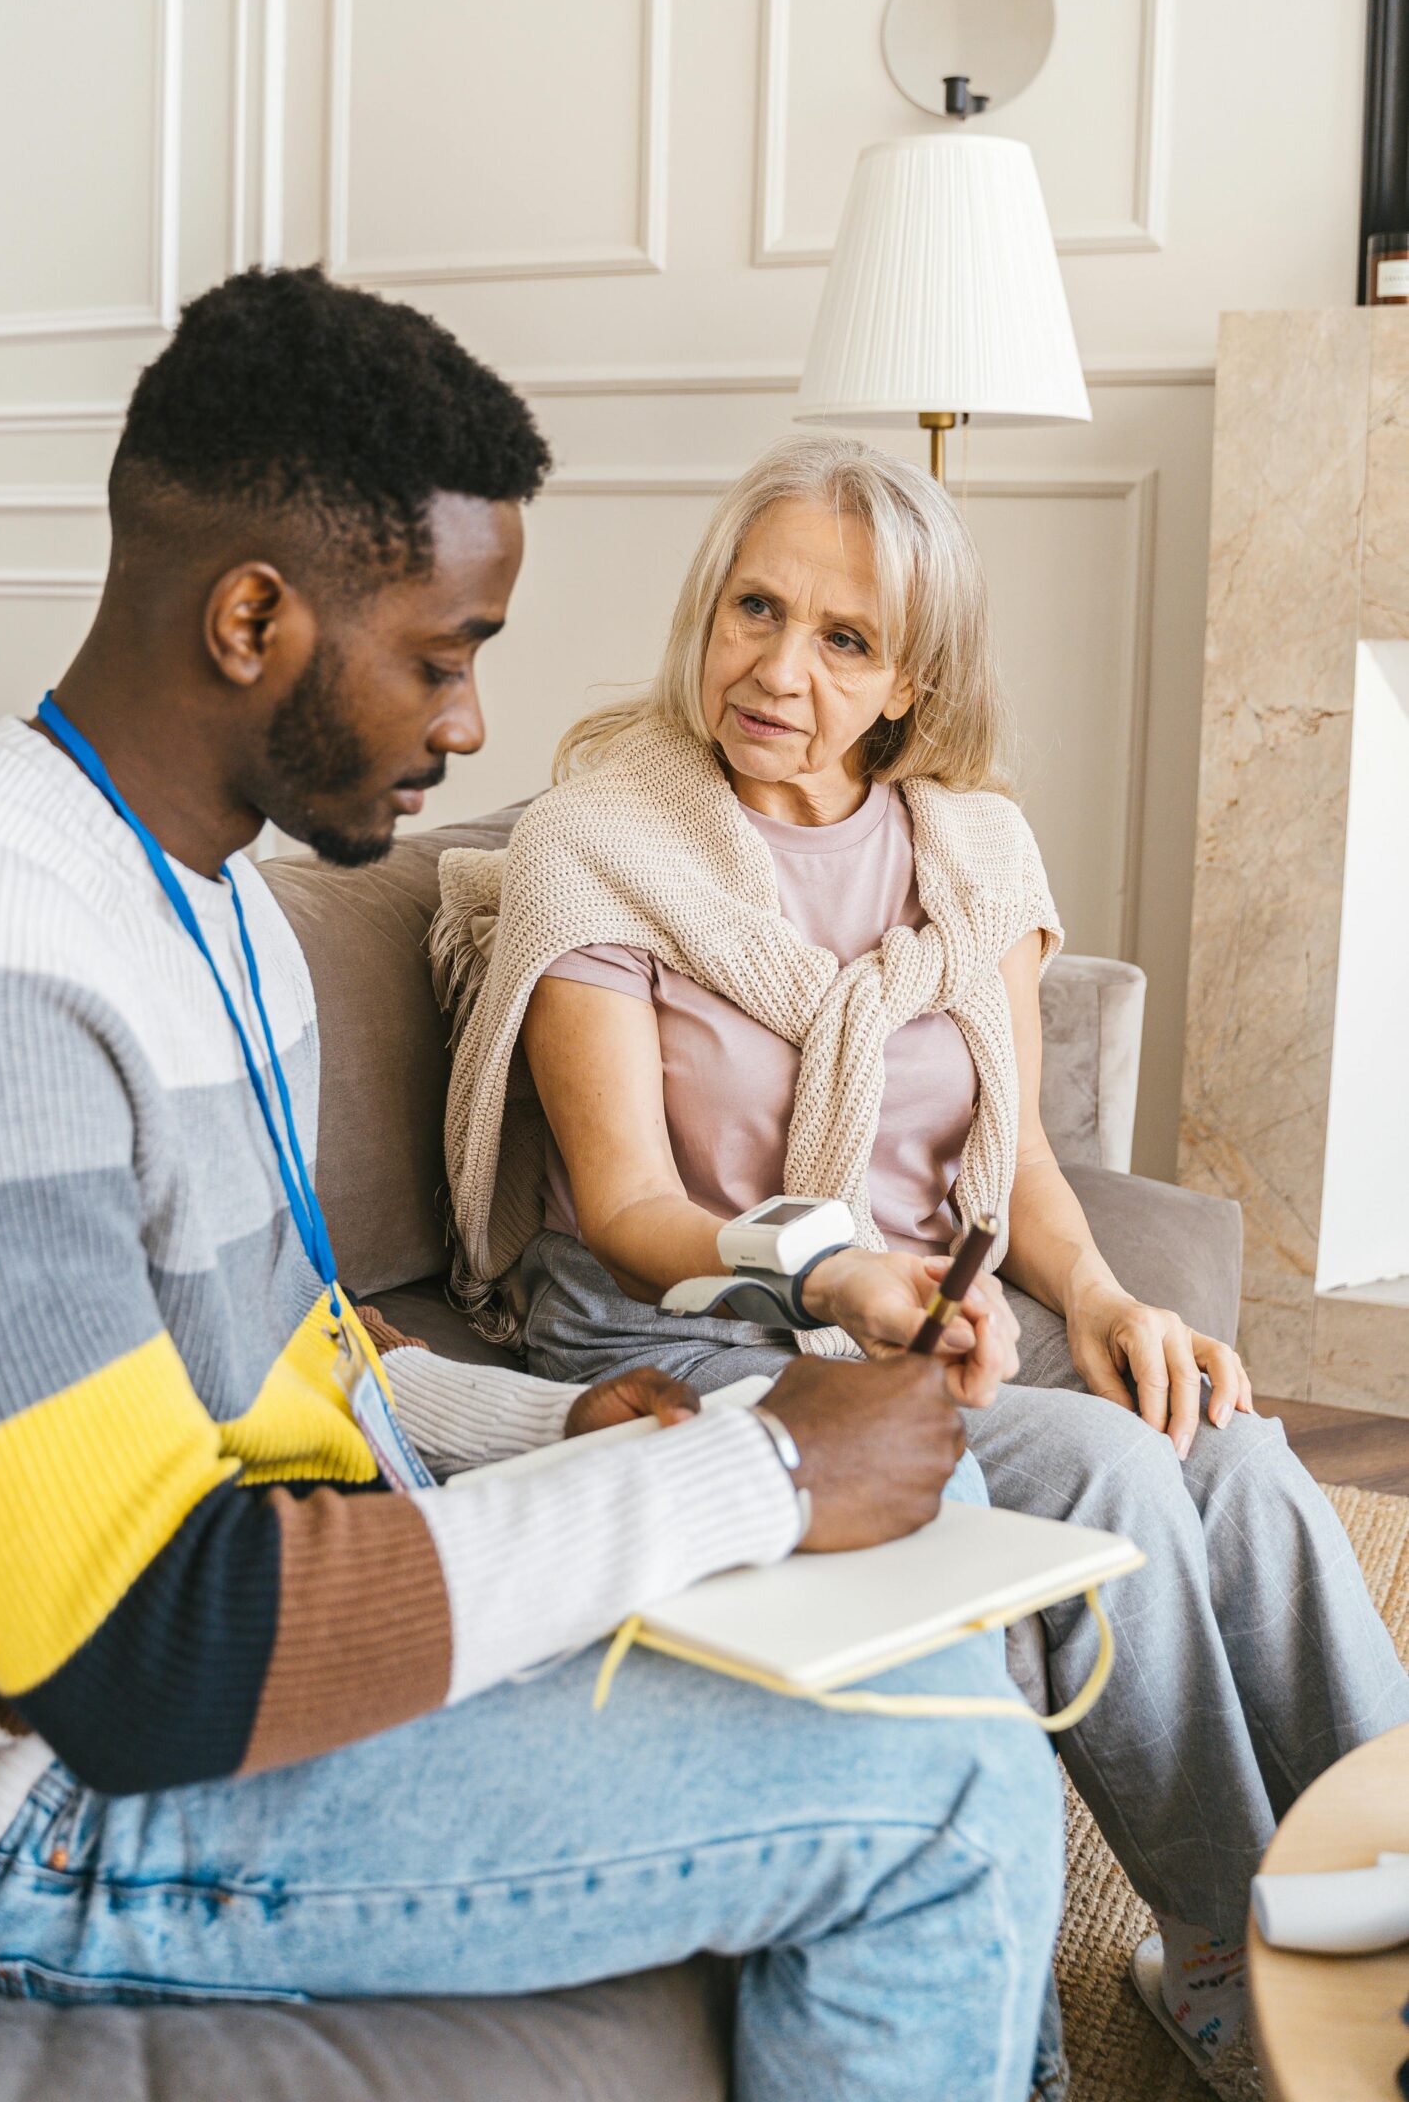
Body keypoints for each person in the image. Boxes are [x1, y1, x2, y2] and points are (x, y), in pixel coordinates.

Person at [0, 272, 1065, 2102]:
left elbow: (309, 1361)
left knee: (939, 1671)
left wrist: (578, 1420)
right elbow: (136, 1657)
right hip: (35, 1799)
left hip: (208, 1704)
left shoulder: (216, 912)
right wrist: (747, 1474)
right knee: (944, 1792)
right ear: (255, 618)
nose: (478, 723)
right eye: (443, 655)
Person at [437, 429, 1409, 2102]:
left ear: (910, 683)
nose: (777, 668)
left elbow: (1015, 1153)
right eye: (756, 608)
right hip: (696, 1337)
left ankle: (1387, 1914)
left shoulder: (969, 853)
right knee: (1106, 1471)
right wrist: (827, 1279)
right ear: (707, 608)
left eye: (844, 640)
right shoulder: (599, 839)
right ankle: (1236, 1970)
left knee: (1233, 1458)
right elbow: (628, 1208)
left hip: (929, 1314)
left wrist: (1103, 1301)